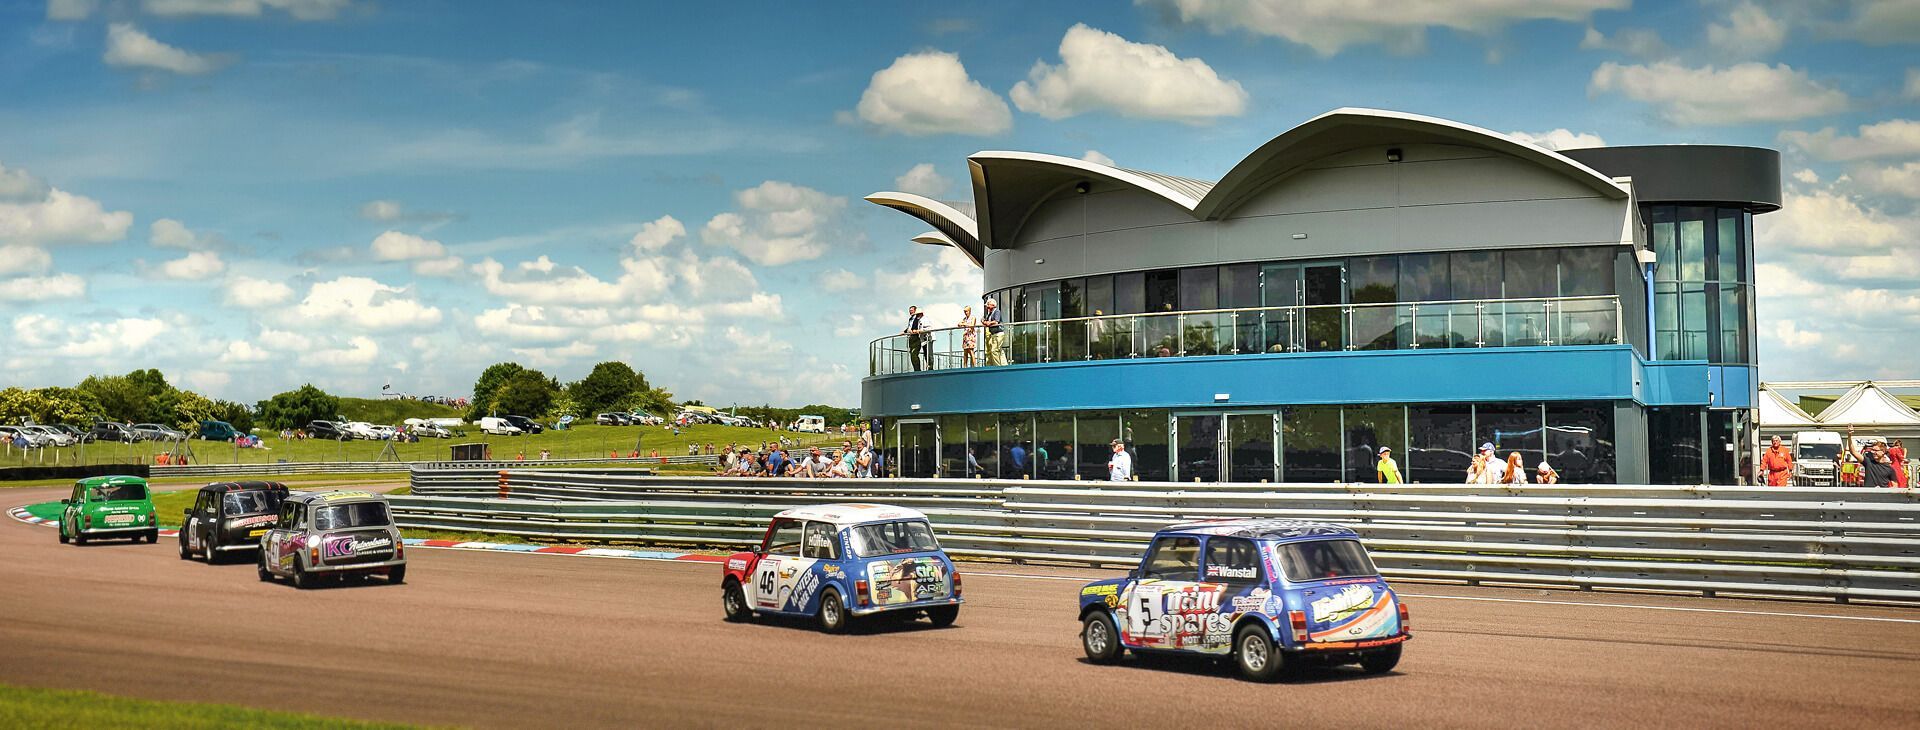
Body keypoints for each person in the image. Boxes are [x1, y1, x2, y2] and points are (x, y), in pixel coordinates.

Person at [982, 298, 1007, 366]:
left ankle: (997, 366)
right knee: (999, 350)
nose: (987, 306)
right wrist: (984, 322)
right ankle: (1004, 364)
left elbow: (996, 321)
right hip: (993, 334)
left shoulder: (997, 311)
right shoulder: (990, 313)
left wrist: (988, 323)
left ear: (993, 305)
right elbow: (985, 322)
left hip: (998, 333)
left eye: (988, 305)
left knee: (994, 350)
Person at [903, 305, 929, 372]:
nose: (910, 312)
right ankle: (916, 369)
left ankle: (919, 369)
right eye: (909, 311)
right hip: (911, 337)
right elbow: (909, 327)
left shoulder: (918, 318)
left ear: (915, 311)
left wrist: (914, 330)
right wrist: (905, 331)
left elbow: (919, 326)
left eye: (911, 311)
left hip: (917, 336)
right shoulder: (910, 319)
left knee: (915, 353)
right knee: (912, 354)